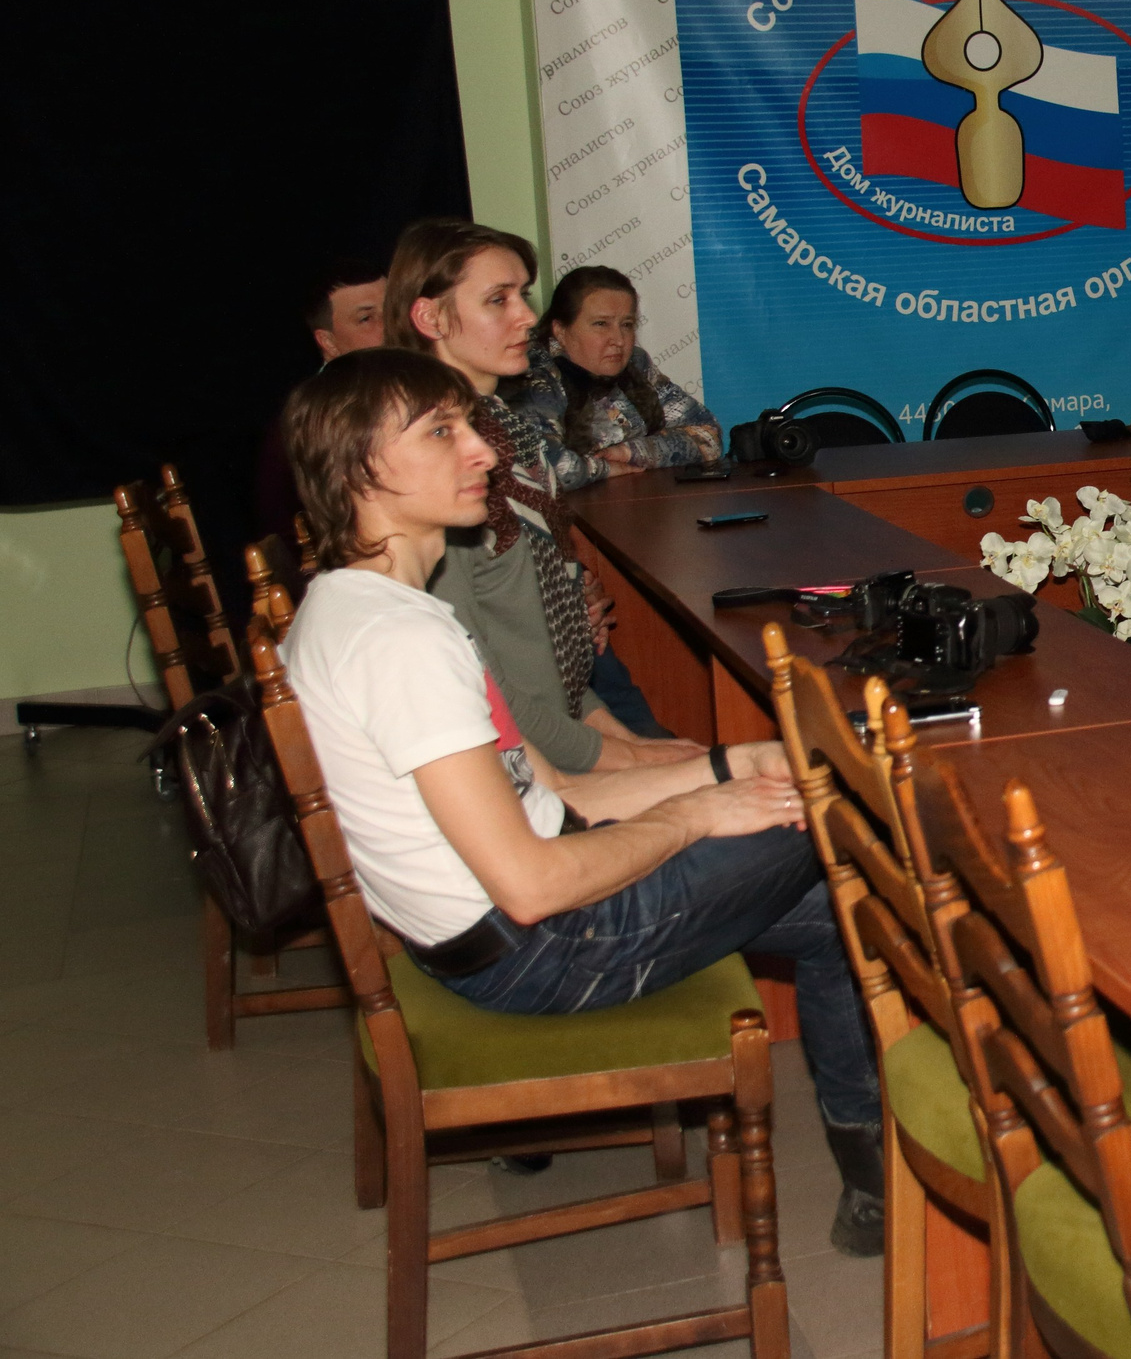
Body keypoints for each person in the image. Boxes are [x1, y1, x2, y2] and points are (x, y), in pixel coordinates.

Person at [276, 347, 887, 1254]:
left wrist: (728, 763)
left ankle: (873, 1174)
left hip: (507, 930)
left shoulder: (374, 606)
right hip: (538, 952)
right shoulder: (398, 643)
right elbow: (529, 882)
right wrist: (696, 813)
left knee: (830, 899)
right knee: (837, 821)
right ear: (359, 467)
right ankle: (925, 1135)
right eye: (442, 433)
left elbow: (556, 791)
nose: (483, 452)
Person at [386, 218, 693, 772]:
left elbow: (530, 599)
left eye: (522, 295)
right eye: (498, 300)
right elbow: (489, 676)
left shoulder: (503, 417)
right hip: (532, 744)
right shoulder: (436, 464)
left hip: (575, 686)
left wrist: (570, 587)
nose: (527, 317)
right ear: (430, 317)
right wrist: (621, 757)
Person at [508, 266, 722, 490]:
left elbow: (707, 435)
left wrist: (630, 452)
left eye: (627, 325)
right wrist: (605, 468)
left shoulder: (636, 365)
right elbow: (544, 468)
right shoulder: (532, 373)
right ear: (560, 331)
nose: (618, 340)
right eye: (601, 324)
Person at [258, 258, 389, 545]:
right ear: (328, 343)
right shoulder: (317, 419)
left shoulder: (397, 391)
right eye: (366, 319)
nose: (390, 326)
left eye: (392, 310)